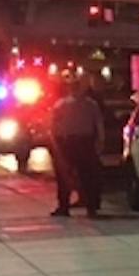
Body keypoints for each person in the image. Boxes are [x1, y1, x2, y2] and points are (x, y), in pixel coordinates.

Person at [50, 80, 105, 217]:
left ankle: (64, 206)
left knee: (64, 176)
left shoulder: (61, 104)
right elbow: (99, 125)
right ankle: (91, 207)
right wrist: (99, 142)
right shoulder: (91, 104)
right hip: (85, 142)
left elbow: (53, 126)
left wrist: (55, 144)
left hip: (67, 143)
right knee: (87, 175)